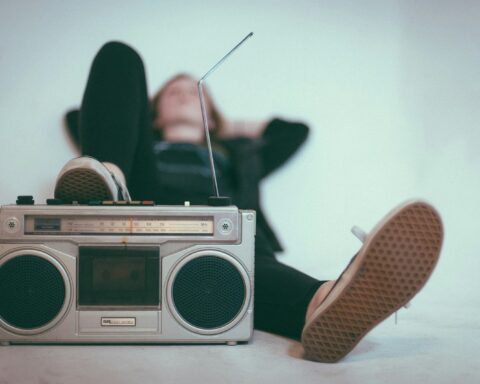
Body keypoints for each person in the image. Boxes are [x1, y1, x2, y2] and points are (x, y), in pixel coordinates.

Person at [57, 41, 444, 363]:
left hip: (223, 231)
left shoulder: (241, 154)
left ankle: (324, 302)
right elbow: (82, 115)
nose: (182, 94)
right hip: (143, 206)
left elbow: (295, 132)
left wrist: (224, 126)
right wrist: (135, 126)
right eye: (172, 93)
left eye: (195, 93)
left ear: (212, 119)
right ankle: (109, 180)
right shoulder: (140, 147)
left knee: (246, 259)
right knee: (119, 54)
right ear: (152, 110)